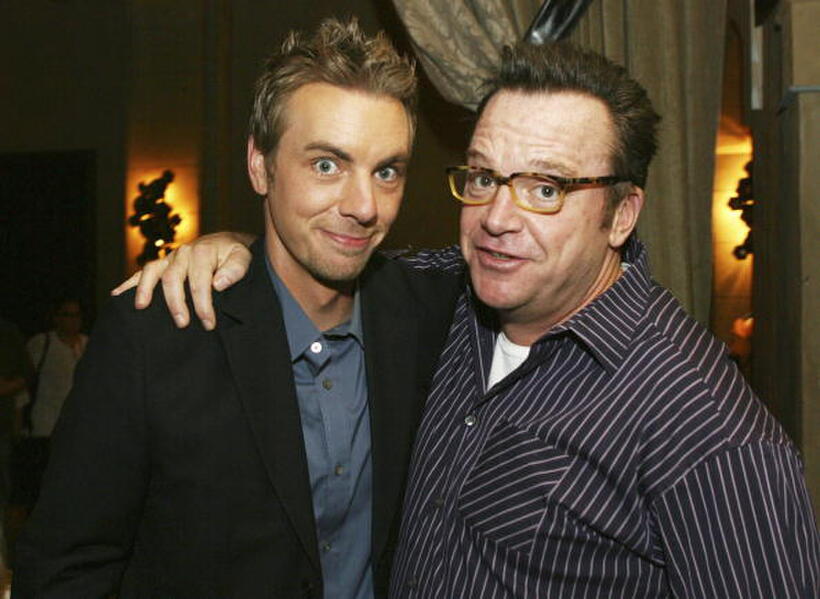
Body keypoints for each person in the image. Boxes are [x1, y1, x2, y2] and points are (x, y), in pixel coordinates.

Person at [125, 42, 819, 597]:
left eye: (545, 188)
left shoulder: (707, 431)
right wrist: (232, 249)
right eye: (484, 177)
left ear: (621, 214)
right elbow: (325, 257)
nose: (497, 218)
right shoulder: (447, 299)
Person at [13, 19, 460, 599]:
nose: (364, 205)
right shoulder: (157, 336)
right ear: (259, 165)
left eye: (386, 171)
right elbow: (64, 569)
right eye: (327, 165)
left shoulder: (429, 316)